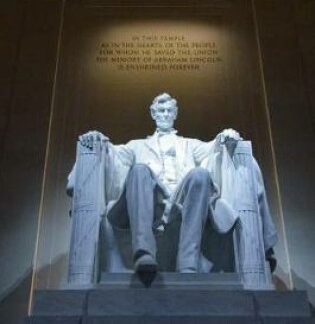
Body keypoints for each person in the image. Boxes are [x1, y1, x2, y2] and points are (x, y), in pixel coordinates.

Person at [74, 92, 242, 274]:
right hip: (150, 201)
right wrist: (98, 140)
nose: (165, 114)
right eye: (161, 110)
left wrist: (225, 135)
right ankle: (144, 253)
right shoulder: (136, 145)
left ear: (175, 114)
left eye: (170, 111)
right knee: (138, 170)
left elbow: (214, 147)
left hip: (182, 200)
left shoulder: (189, 144)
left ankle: (188, 262)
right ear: (153, 114)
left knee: (200, 174)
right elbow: (112, 154)